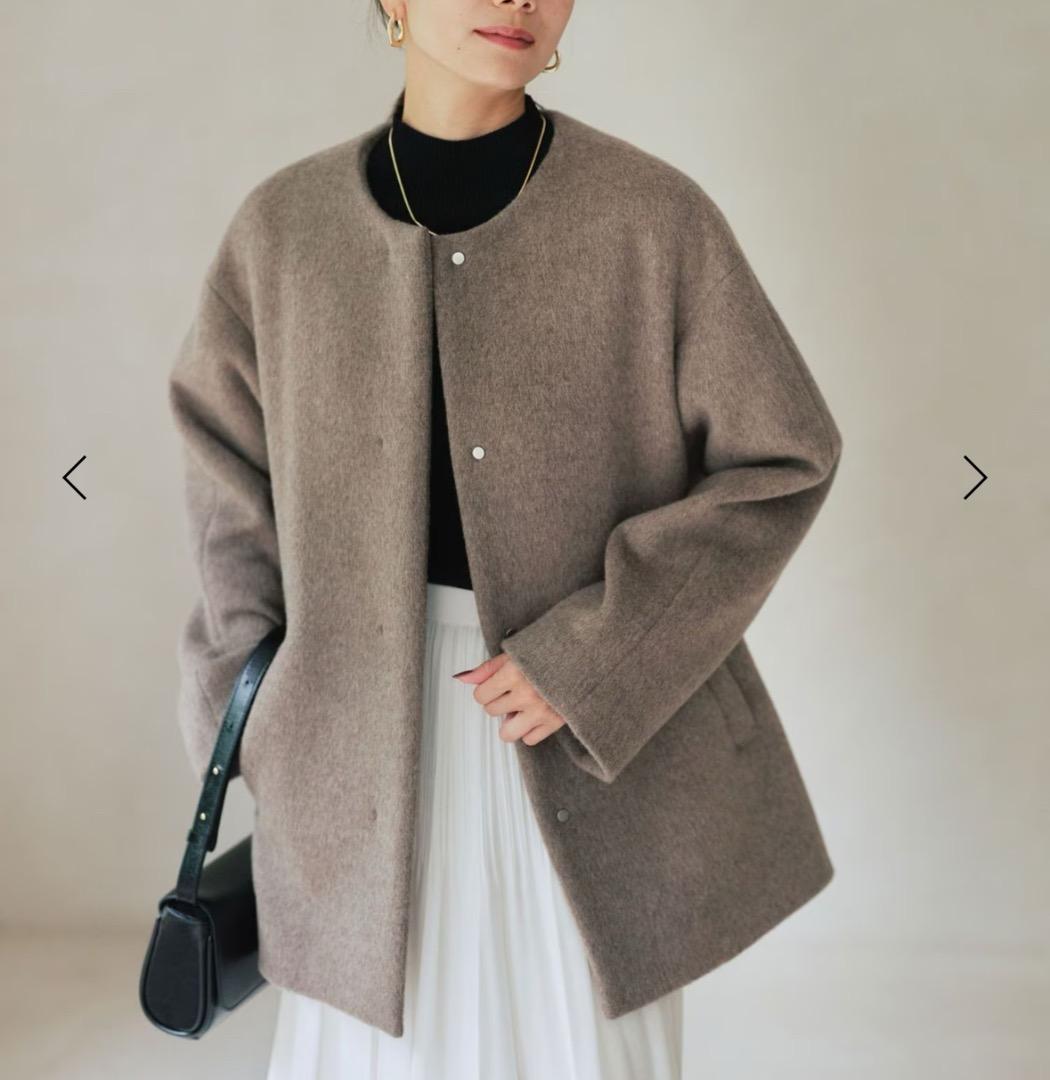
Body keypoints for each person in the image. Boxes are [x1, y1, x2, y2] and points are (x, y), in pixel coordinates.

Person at [169, 0, 843, 1076]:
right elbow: (225, 491)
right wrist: (257, 722)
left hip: (591, 747)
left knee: (580, 1041)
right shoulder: (282, 232)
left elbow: (783, 458)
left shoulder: (652, 218)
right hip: (349, 752)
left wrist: (597, 658)